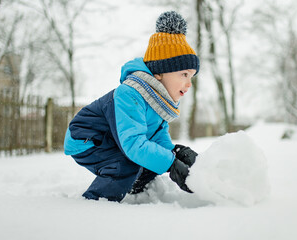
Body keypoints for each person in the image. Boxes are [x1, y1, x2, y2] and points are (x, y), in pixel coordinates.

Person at [64, 11, 199, 202]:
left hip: (113, 139)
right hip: (86, 138)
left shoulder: (158, 99)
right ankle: (96, 203)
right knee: (125, 164)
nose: (189, 83)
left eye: (192, 76)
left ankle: (134, 188)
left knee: (151, 161)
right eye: (184, 74)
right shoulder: (131, 93)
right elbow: (134, 144)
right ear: (160, 72)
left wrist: (176, 153)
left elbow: (157, 136)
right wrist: (171, 165)